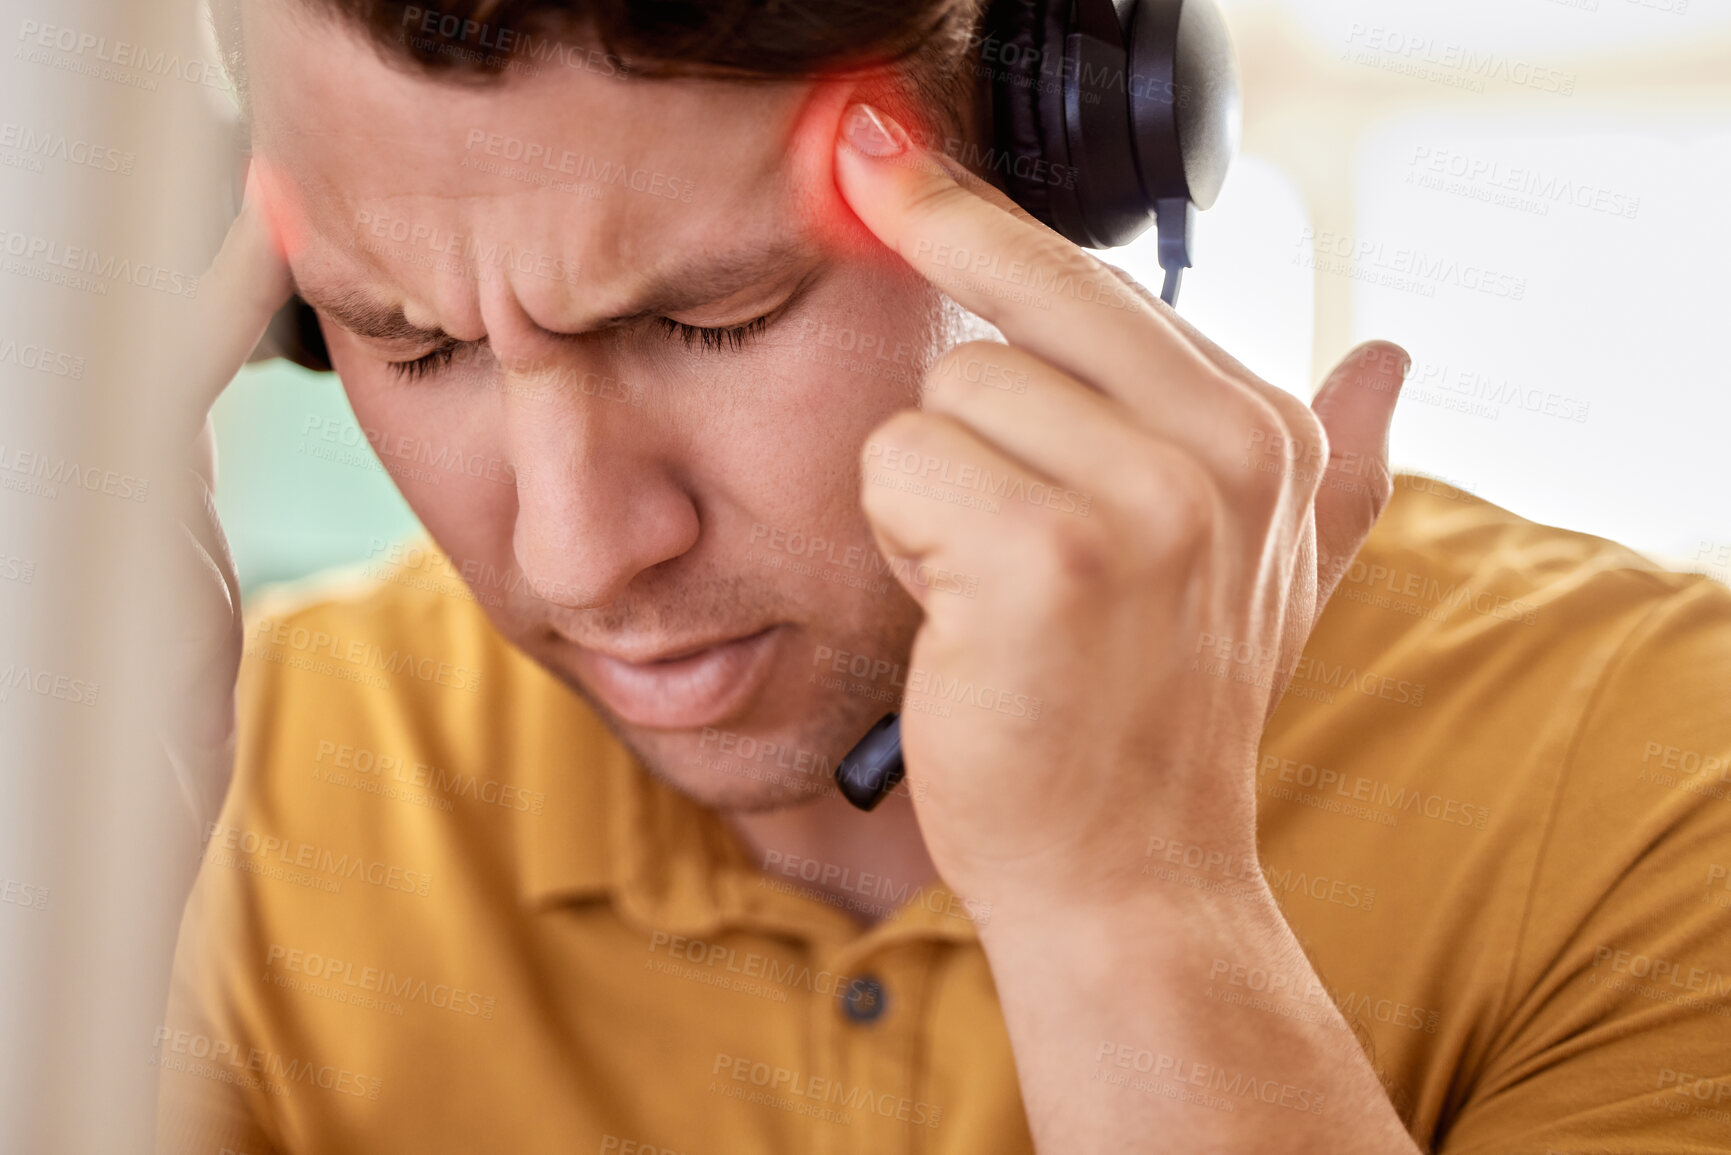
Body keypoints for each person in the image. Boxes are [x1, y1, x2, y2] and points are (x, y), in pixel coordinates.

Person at [155, 1, 1731, 1151]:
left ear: (1055, 174)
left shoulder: (1661, 778)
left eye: (713, 319)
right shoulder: (239, 806)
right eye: (411, 340)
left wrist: (1134, 906)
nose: (583, 553)